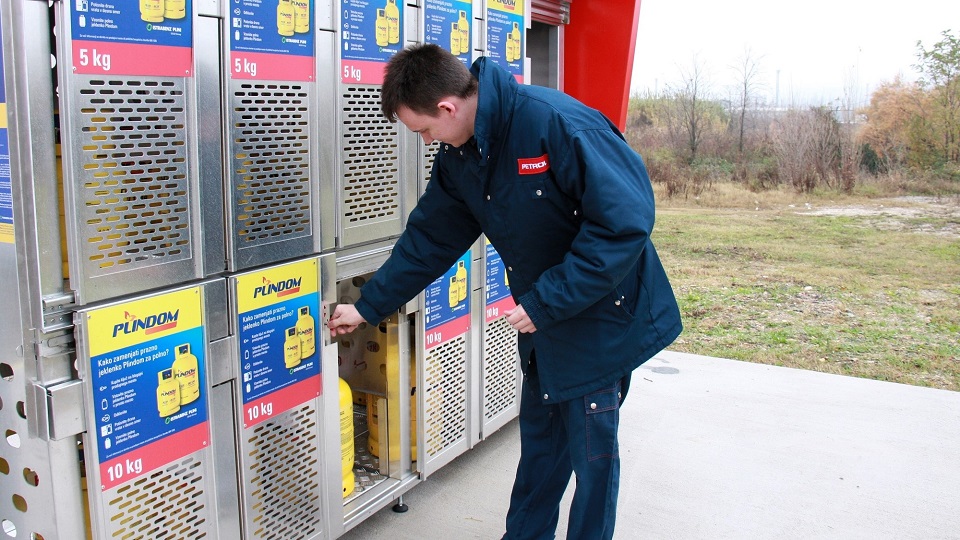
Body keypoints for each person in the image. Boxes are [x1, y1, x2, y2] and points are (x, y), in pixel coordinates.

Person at [328, 43, 682, 540]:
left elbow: (625, 225)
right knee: (540, 456)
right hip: (546, 329)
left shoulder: (555, 123)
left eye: (425, 130)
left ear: (448, 107)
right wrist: (367, 306)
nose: (428, 141)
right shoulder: (462, 155)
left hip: (600, 322)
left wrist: (545, 302)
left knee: (593, 464)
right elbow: (429, 239)